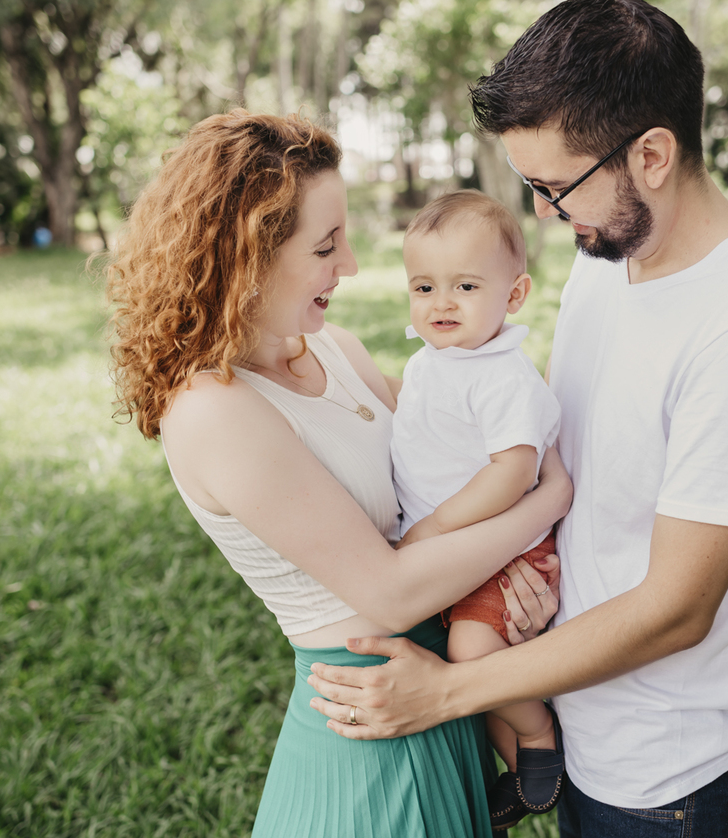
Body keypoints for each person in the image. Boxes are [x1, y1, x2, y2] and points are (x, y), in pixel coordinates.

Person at [307, 2, 728, 836]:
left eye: (558, 186)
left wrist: (450, 692)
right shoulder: (604, 260)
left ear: (652, 154)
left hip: (671, 777)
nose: (545, 212)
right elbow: (553, 445)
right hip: (579, 723)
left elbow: (677, 608)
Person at [104, 110, 571, 837]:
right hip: (369, 744)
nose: (350, 264)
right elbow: (387, 594)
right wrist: (546, 505)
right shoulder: (213, 410)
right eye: (326, 245)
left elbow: (453, 452)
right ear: (251, 254)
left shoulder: (336, 351)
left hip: (438, 695)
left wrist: (514, 581)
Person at [392, 190, 565, 830]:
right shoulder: (431, 363)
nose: (441, 302)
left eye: (465, 285)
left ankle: (539, 734)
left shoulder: (500, 375)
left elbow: (513, 471)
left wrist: (434, 526)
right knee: (478, 679)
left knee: (471, 654)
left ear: (514, 295)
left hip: (505, 551)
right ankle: (521, 771)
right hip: (459, 552)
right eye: (424, 286)